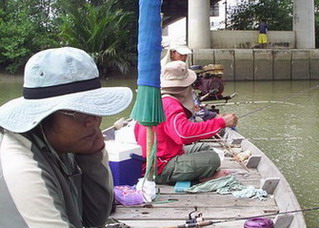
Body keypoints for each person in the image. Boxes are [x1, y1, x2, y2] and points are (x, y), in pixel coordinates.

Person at [0, 47, 133, 228]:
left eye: (96, 109)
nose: (93, 121)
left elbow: (94, 221)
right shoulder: (21, 168)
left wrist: (93, 158)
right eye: (79, 113)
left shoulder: (65, 146)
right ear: (43, 116)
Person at [134, 61, 238, 185]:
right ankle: (201, 177)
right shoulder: (169, 104)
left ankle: (201, 173)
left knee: (204, 148)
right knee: (212, 159)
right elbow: (183, 134)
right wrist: (220, 122)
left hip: (160, 155)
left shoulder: (156, 98)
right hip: (160, 167)